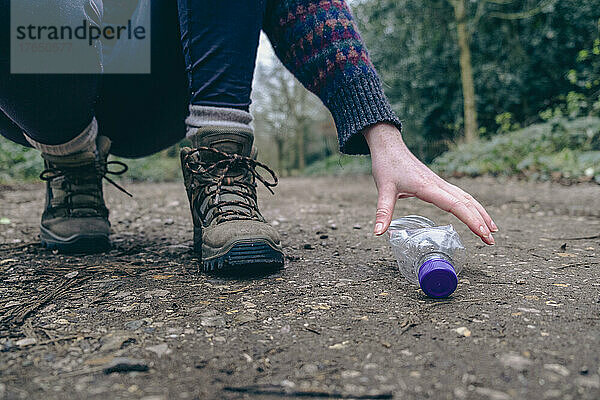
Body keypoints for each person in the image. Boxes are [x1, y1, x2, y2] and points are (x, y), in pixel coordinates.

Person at [0, 0, 497, 273]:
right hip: (36, 78)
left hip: (161, 85)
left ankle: (220, 156)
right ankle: (71, 166)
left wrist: (380, 132)